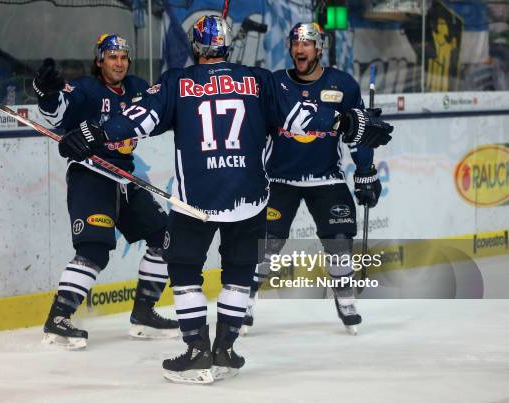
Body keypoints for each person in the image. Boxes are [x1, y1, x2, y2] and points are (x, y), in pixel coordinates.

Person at [57, 16, 392, 382]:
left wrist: (91, 133)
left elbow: (136, 120)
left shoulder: (176, 82)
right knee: (238, 274)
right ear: (228, 45)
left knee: (185, 272)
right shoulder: (260, 80)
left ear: (195, 47)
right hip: (249, 199)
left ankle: (197, 350)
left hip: (196, 202)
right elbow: (302, 116)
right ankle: (227, 351)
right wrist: (348, 124)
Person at [33, 33, 179, 350]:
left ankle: (143, 314)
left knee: (165, 237)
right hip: (91, 174)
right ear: (100, 60)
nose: (119, 63)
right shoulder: (86, 89)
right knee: (94, 250)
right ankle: (58, 319)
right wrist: (46, 95)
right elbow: (57, 114)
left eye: (123, 57)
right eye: (112, 57)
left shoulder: (139, 88)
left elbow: (167, 107)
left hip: (125, 179)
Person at [244, 23, 384, 336]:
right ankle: (244, 301)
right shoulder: (274, 83)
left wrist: (365, 171)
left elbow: (358, 133)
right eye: (295, 43)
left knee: (339, 243)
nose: (300, 49)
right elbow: (255, 128)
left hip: (326, 178)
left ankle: (345, 299)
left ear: (318, 48)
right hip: (279, 179)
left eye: (307, 44)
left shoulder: (343, 85)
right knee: (266, 246)